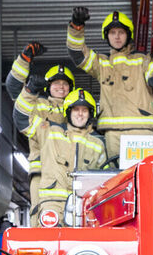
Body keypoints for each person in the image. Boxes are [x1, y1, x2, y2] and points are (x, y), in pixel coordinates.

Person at [66, 8, 153, 161]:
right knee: (117, 175)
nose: (117, 37)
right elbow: (78, 54)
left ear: (128, 34)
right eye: (112, 33)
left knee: (142, 174)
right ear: (106, 36)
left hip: (142, 131)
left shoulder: (141, 60)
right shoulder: (101, 63)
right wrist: (77, 26)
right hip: (112, 133)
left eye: (121, 32)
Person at [5, 41, 76, 206]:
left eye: (65, 83)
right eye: (56, 83)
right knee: (40, 215)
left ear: (71, 88)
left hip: (70, 173)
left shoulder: (77, 110)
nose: (61, 87)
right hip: (41, 171)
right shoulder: (36, 104)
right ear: (48, 86)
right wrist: (24, 59)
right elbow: (14, 88)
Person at [26, 89, 107, 227]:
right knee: (49, 239)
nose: (80, 114)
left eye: (84, 110)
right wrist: (29, 90)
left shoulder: (98, 144)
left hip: (84, 206)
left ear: (90, 114)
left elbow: (106, 178)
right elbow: (22, 118)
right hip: (52, 203)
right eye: (76, 109)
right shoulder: (50, 131)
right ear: (68, 112)